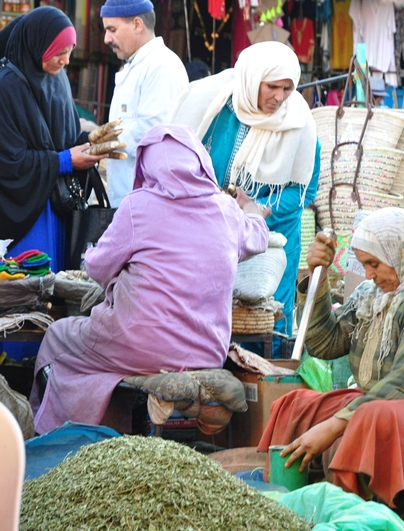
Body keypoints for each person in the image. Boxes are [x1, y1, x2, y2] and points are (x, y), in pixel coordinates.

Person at [257, 208, 404, 524]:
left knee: (371, 416)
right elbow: (325, 344)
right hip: (386, 399)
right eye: (365, 265)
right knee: (296, 404)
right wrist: (315, 275)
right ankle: (293, 501)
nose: (369, 274)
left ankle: (356, 512)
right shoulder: (372, 293)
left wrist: (334, 425)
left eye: (374, 264)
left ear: (403, 254)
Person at [29, 124, 270, 435]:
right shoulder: (227, 210)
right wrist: (250, 210)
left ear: (146, 166)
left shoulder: (138, 206)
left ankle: (52, 432)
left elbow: (98, 268)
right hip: (206, 351)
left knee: (59, 336)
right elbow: (259, 237)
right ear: (200, 162)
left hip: (138, 346)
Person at [170, 41, 319, 355]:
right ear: (253, 80)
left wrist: (258, 210)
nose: (279, 98)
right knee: (209, 319)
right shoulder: (219, 107)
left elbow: (305, 191)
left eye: (288, 88)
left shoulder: (300, 122)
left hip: (271, 240)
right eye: (272, 87)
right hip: (212, 231)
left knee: (266, 324)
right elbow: (182, 157)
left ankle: (266, 395)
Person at [0, 7, 106, 271]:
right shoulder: (6, 87)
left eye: (69, 50)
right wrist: (66, 160)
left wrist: (89, 141)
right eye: (59, 51)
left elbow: (63, 137)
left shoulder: (58, 81)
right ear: (37, 45)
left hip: (59, 206)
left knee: (57, 290)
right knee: (29, 288)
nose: (66, 60)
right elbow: (10, 162)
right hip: (28, 213)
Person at [101, 0, 188, 207]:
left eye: (112, 29)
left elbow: (152, 134)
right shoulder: (137, 64)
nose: (106, 39)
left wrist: (99, 141)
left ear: (137, 25)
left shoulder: (162, 66)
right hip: (130, 203)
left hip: (149, 205)